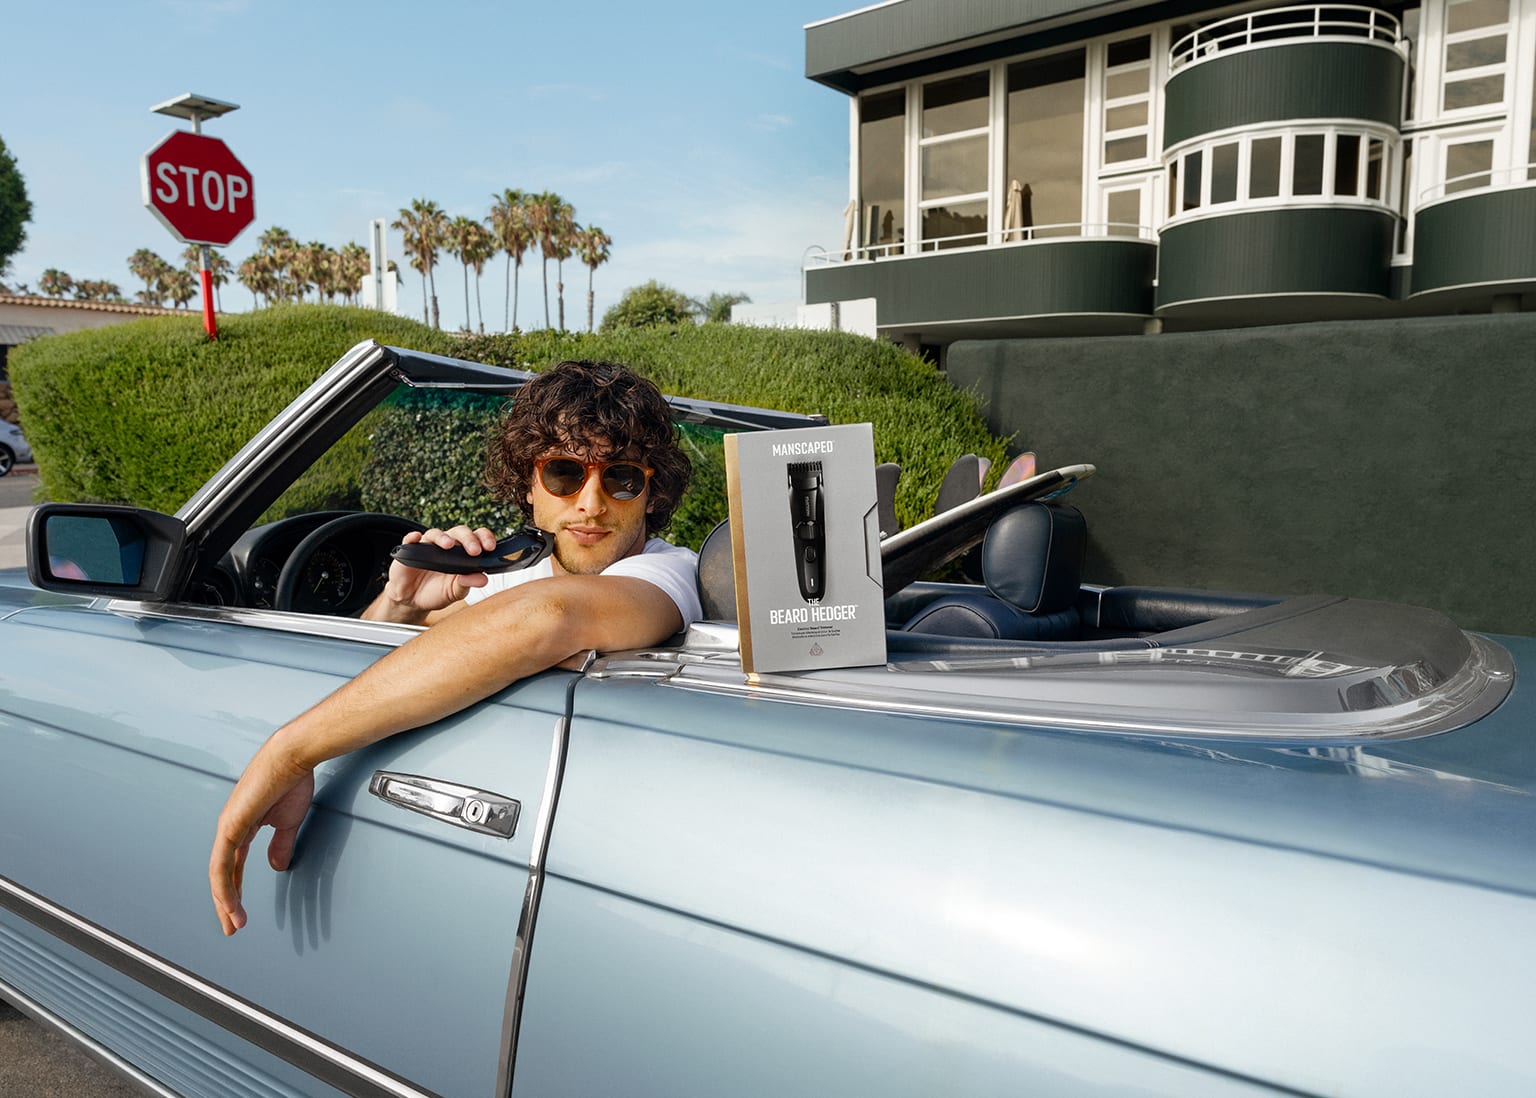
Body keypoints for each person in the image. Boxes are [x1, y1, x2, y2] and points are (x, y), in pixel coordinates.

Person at [208, 360, 700, 936]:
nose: (591, 503)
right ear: (528, 485)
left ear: (651, 492)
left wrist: (288, 753)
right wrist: (402, 607)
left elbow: (550, 617)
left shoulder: (670, 573)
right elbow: (380, 678)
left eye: (621, 479)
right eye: (564, 474)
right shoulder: (509, 581)